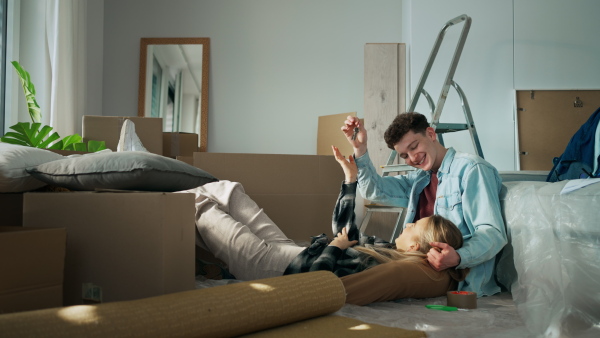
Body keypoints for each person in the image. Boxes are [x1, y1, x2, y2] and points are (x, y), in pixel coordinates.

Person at [184, 145, 468, 306]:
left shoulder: (394, 267)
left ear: (416, 246)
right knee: (229, 190)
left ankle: (146, 207)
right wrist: (350, 180)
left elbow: (316, 284)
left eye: (414, 225)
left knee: (198, 203)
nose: (408, 224)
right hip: (291, 251)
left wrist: (335, 247)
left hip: (272, 267)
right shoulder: (387, 249)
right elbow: (345, 232)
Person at [341, 112, 507, 297]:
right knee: (353, 256)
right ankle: (314, 287)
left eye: (414, 146)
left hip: (455, 273)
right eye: (404, 155)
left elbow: (492, 232)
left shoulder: (471, 169)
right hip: (416, 261)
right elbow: (375, 191)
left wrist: (459, 257)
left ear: (431, 134)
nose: (412, 158)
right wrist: (360, 149)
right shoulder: (419, 179)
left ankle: (320, 296)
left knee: (393, 273)